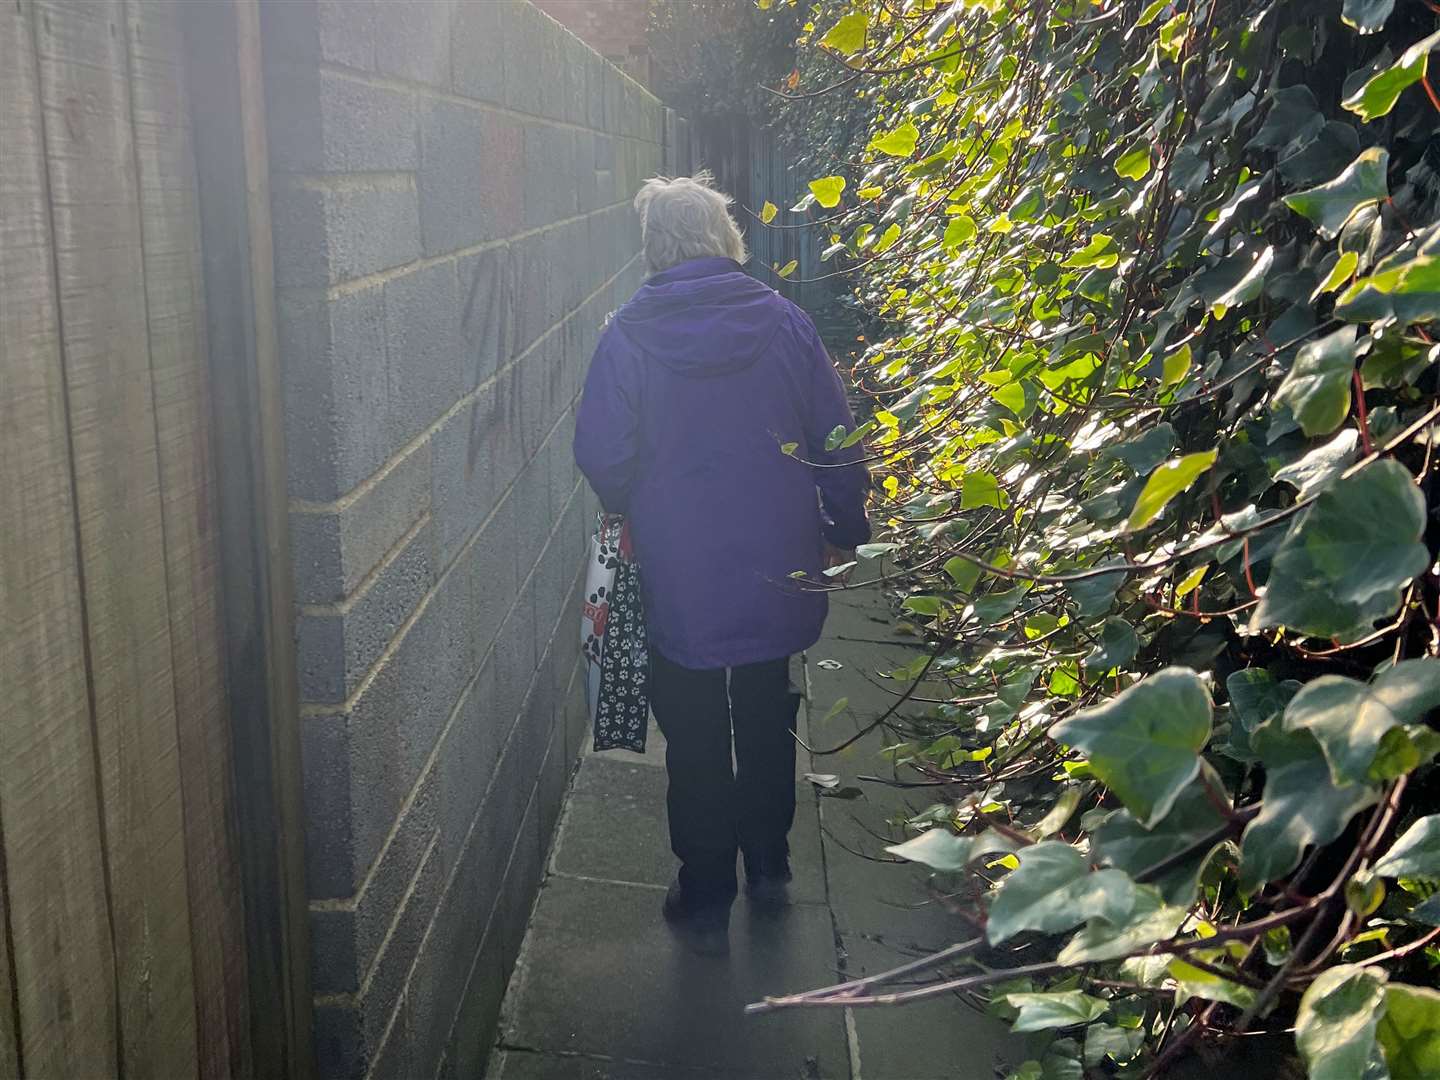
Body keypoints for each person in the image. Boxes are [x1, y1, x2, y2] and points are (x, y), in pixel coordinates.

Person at [573, 173, 871, 951]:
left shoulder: (627, 335)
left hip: (678, 559)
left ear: (654, 246)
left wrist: (638, 501)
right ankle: (769, 864)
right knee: (767, 702)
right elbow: (834, 435)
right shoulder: (786, 323)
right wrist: (844, 524)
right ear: (724, 238)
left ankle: (705, 884)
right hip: (775, 552)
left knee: (694, 717)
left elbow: (601, 450)